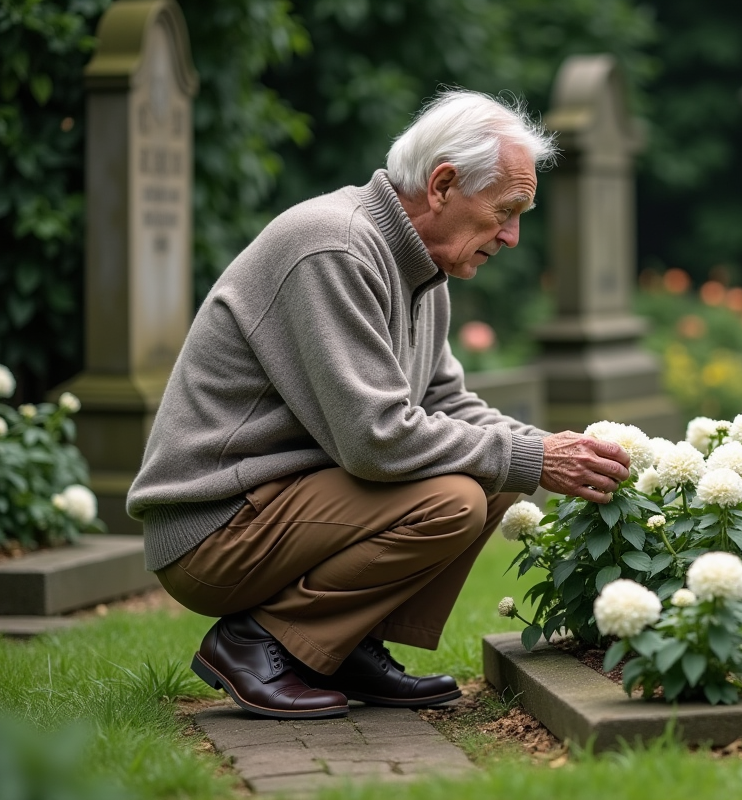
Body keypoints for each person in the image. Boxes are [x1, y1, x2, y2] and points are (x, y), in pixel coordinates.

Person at [126, 90, 630, 720]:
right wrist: (533, 455)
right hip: (213, 529)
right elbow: (376, 440)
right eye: (506, 211)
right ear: (443, 184)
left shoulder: (423, 269)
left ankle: (339, 646)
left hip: (277, 506)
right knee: (456, 497)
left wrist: (560, 451)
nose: (512, 236)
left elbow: (448, 401)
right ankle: (257, 643)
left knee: (500, 476)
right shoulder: (333, 247)